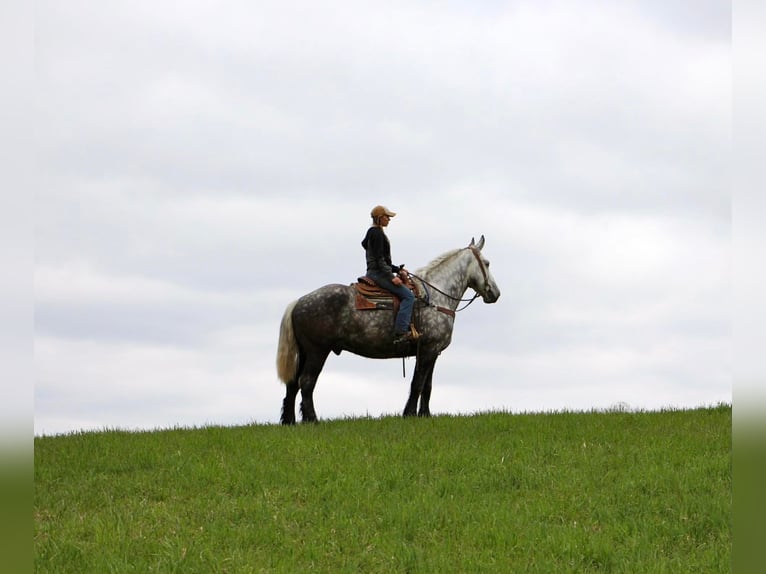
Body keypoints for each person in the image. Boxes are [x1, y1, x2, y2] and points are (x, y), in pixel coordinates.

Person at [361, 205, 416, 343]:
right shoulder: (377, 233)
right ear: (380, 218)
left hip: (375, 271)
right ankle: (401, 331)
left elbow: (382, 260)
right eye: (387, 217)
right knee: (409, 296)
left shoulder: (373, 232)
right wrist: (392, 277)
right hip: (378, 274)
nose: (389, 220)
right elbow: (380, 260)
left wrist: (398, 270)